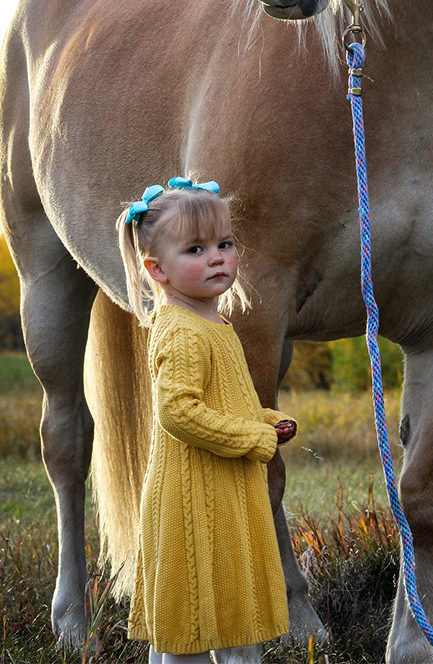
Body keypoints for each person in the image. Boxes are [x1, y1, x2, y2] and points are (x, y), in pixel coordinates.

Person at [117, 177, 298, 664]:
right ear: (157, 270)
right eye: (196, 248)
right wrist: (254, 439)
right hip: (190, 495)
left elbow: (222, 401)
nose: (217, 257)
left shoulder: (214, 324)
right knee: (189, 623)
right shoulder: (180, 331)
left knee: (228, 605)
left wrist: (266, 419)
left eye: (225, 243)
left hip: (222, 489)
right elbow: (179, 413)